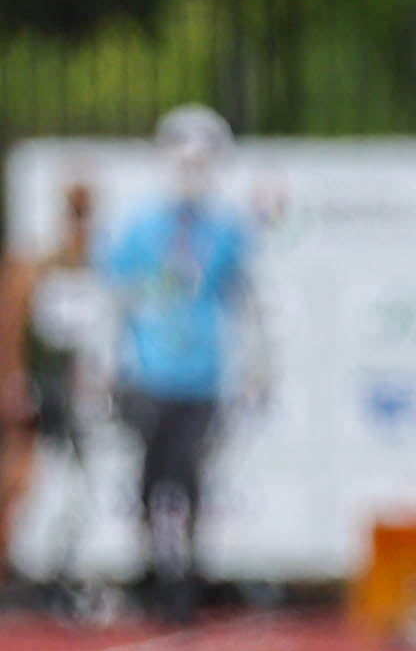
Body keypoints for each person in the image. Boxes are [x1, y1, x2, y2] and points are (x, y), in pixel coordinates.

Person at [102, 107, 255, 625]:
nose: (193, 173)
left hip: (203, 374)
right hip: (149, 371)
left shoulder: (227, 230)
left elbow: (242, 298)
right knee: (152, 478)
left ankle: (184, 580)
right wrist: (109, 363)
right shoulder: (140, 226)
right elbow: (117, 299)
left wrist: (255, 363)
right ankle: (155, 573)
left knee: (188, 476)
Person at [0, 179, 101, 590]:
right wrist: (14, 377)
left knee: (79, 478)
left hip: (75, 387)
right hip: (41, 384)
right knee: (21, 475)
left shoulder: (97, 262)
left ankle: (65, 560)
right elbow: (14, 323)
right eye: (75, 211)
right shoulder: (38, 265)